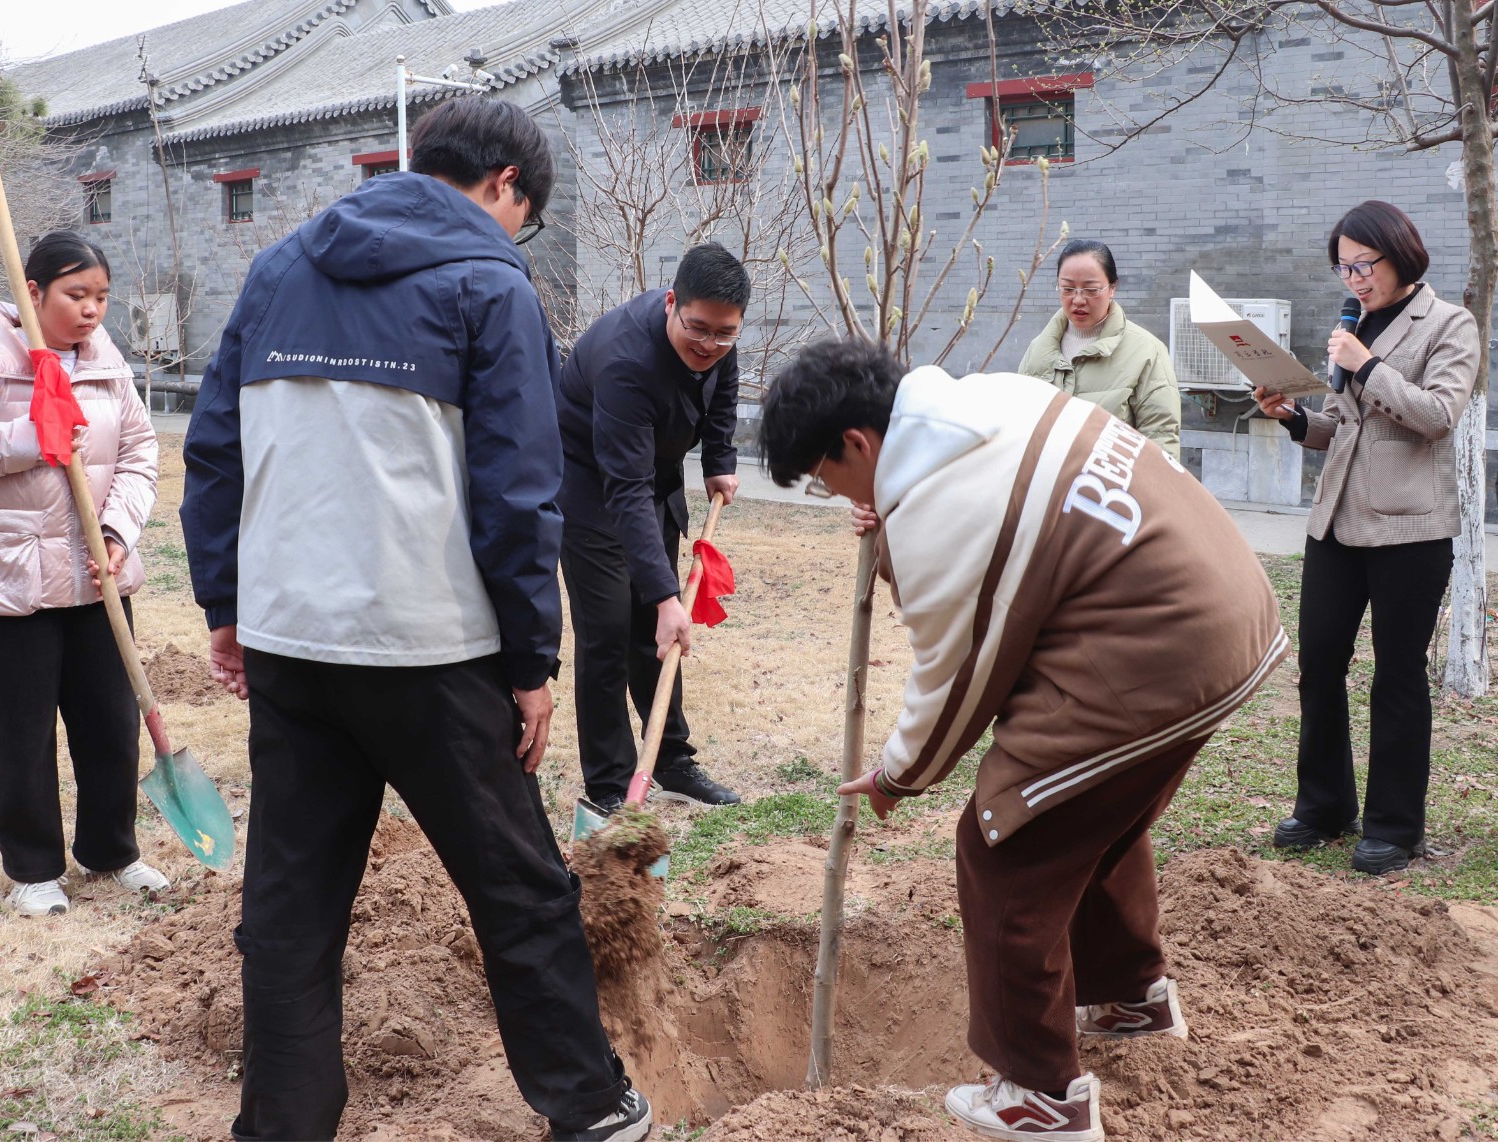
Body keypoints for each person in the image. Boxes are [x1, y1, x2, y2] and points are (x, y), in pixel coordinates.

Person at [180, 98, 650, 1142]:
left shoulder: (277, 270)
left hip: (291, 640)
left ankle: (283, 1123)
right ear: (505, 188)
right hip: (432, 649)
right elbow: (521, 490)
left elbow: (214, 448)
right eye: (523, 217)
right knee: (519, 890)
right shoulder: (489, 282)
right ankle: (589, 1105)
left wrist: (226, 602)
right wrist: (532, 661)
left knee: (291, 910)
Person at [761, 338, 1288, 1142]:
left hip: (1158, 643)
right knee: (1092, 810)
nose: (834, 496)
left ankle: (1040, 1097)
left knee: (1003, 841)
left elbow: (957, 679)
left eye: (826, 478)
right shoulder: (983, 402)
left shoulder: (939, 503)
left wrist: (896, 776)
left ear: (858, 443)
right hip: (1225, 606)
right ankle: (1128, 997)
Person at [0, 231, 169, 918]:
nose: (91, 310)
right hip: (8, 585)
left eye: (101, 298)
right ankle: (33, 871)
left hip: (95, 578)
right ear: (33, 292)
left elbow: (141, 452)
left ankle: (111, 851)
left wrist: (117, 532)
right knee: (22, 734)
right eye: (75, 294)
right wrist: (30, 439)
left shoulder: (109, 366)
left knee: (110, 725)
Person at [1253, 200, 1479, 876]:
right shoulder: (1352, 324)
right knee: (1320, 663)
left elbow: (1438, 416)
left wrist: (1368, 365)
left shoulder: (1449, 323)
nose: (1352, 280)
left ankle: (1393, 826)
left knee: (1398, 675)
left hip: (1410, 530)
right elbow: (1344, 428)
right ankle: (1324, 806)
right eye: (1343, 268)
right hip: (1336, 524)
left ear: (1398, 253)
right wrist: (1295, 418)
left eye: (1362, 265)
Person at [555, 243, 749, 812]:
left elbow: (724, 390)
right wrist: (667, 596)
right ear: (671, 303)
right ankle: (612, 783)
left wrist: (720, 459)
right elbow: (624, 489)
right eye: (699, 330)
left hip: (652, 478)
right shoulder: (625, 362)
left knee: (654, 634)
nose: (710, 345)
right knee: (609, 633)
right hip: (591, 489)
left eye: (725, 334)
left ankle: (671, 760)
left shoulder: (717, 337)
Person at [1018, 239, 1182, 458]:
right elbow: (1019, 428)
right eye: (1067, 289)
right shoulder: (1039, 349)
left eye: (1091, 290)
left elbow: (1161, 439)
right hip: (1048, 488)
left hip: (1109, 488)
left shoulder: (1146, 351)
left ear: (1112, 287)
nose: (1078, 300)